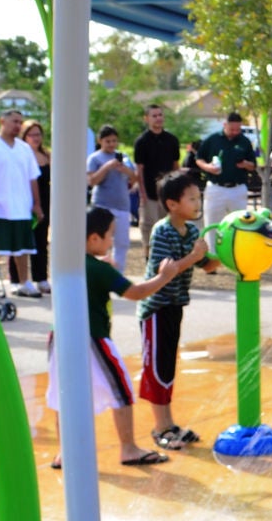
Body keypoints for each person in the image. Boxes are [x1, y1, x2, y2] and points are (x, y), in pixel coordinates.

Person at [47, 205, 184, 471]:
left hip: (60, 338)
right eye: (109, 235)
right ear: (93, 239)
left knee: (63, 395)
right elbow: (135, 292)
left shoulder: (66, 261)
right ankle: (129, 448)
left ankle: (65, 452)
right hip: (93, 338)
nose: (112, 240)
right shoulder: (98, 270)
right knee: (120, 390)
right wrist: (164, 277)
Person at [138, 169, 213, 450]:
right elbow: (165, 270)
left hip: (175, 306)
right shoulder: (162, 230)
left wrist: (231, 254)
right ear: (172, 204)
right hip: (156, 309)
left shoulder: (192, 230)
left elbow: (206, 265)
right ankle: (160, 428)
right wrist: (193, 256)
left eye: (199, 198)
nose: (198, 204)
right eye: (192, 199)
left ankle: (169, 424)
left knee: (167, 367)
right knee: (157, 368)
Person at [0, 110, 43, 297]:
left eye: (20, 122)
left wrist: (37, 204)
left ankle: (24, 282)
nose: (17, 125)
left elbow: (33, 178)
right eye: (14, 121)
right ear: (2, 121)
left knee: (23, 247)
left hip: (22, 206)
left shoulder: (24, 148)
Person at [132, 104, 181, 252]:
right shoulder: (142, 141)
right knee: (149, 228)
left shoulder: (171, 140)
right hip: (149, 193)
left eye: (160, 115)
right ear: (146, 119)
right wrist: (142, 194)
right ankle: (149, 259)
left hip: (168, 194)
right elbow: (139, 170)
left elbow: (175, 166)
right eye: (154, 116)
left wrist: (177, 189)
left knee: (169, 227)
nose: (158, 118)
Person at [86, 125, 136, 271]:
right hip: (102, 204)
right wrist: (107, 167)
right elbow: (92, 181)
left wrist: (124, 169)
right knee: (99, 240)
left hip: (122, 205)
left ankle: (117, 274)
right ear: (100, 141)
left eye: (114, 141)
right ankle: (98, 271)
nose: (111, 144)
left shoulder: (123, 157)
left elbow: (134, 177)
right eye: (108, 141)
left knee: (122, 243)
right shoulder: (95, 158)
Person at [195, 112, 256, 226]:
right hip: (216, 187)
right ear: (225, 125)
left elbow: (253, 165)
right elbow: (199, 158)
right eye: (232, 129)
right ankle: (211, 244)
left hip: (238, 188)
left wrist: (246, 164)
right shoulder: (213, 139)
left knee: (240, 224)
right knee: (212, 224)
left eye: (238, 129)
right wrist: (208, 167)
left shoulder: (244, 141)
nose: (235, 132)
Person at [21, 120, 53, 288]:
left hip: (45, 200)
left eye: (38, 134)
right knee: (23, 241)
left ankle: (41, 277)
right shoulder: (21, 154)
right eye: (31, 134)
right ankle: (20, 279)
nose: (35, 138)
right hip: (25, 200)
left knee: (41, 241)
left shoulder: (47, 155)